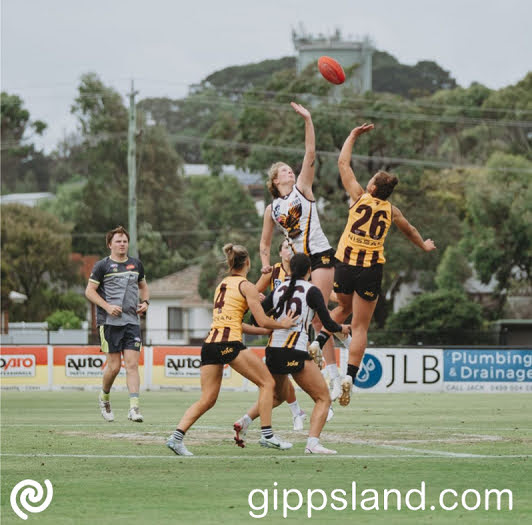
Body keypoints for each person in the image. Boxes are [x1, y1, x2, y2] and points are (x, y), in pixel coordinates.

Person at [311, 123, 436, 406]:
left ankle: (317, 342)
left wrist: (353, 135)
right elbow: (411, 230)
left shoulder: (359, 197)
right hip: (371, 270)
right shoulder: (392, 211)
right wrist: (424, 246)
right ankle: (349, 378)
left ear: (371, 186)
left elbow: (343, 162)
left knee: (342, 307)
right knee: (361, 326)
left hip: (345, 264)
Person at [165, 244, 298, 456]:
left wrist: (263, 331)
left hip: (210, 345)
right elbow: (262, 319)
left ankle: (176, 438)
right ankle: (267, 435)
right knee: (267, 383)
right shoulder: (247, 286)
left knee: (207, 399)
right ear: (248, 262)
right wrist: (282, 325)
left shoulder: (222, 285)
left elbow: (235, 322)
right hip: (228, 344)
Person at [260, 101, 343, 401]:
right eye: (283, 170)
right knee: (306, 319)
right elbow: (265, 243)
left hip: (320, 256)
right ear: (274, 180)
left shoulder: (302, 190)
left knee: (317, 315)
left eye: (290, 168)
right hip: (296, 265)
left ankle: (332, 375)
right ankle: (323, 356)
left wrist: (308, 120)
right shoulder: (273, 208)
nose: (290, 171)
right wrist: (265, 264)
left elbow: (310, 154)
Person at [234, 253, 350, 454]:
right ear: (309, 271)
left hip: (273, 351)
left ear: (289, 270)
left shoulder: (278, 289)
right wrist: (343, 328)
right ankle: (312, 444)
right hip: (294, 351)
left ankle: (244, 421)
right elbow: (328, 323)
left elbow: (255, 319)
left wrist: (275, 322)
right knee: (323, 398)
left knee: (278, 396)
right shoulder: (311, 290)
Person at [85, 226, 149, 423]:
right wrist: (107, 306)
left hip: (131, 322)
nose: (122, 244)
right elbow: (89, 291)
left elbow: (144, 287)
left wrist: (145, 303)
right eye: (118, 241)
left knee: (132, 365)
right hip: (109, 323)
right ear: (110, 244)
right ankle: (104, 398)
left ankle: (134, 408)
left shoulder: (136, 264)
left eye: (125, 241)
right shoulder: (102, 266)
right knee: (113, 367)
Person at [255, 239, 307, 430]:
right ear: (279, 253)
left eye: (292, 247)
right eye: (286, 247)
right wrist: (257, 296)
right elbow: (252, 290)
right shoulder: (274, 271)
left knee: (288, 375)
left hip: (298, 328)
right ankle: (298, 412)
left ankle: (316, 405)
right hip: (278, 328)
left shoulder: (302, 271)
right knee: (281, 376)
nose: (290, 250)